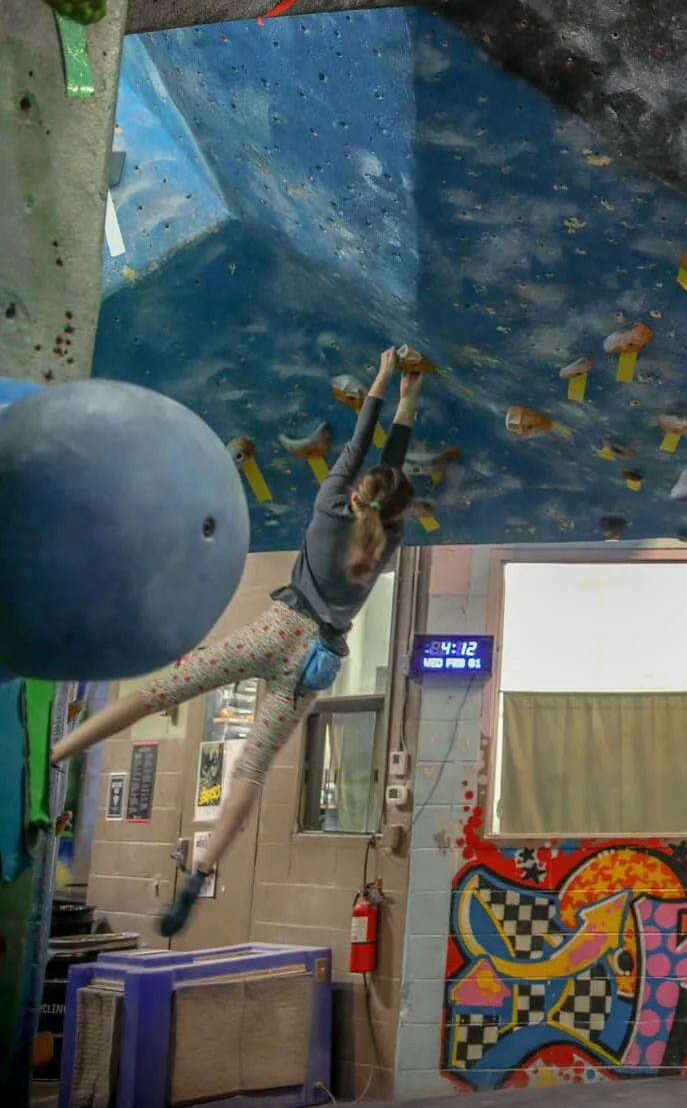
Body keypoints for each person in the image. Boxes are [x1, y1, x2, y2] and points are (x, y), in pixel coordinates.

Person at [52, 349, 423, 933]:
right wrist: (409, 399)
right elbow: (389, 477)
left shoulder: (331, 506)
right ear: (395, 513)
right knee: (251, 770)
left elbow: (364, 442)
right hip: (316, 661)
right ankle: (200, 874)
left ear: (356, 494)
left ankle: (58, 755)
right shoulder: (388, 542)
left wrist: (389, 383)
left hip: (279, 627)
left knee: (161, 692)